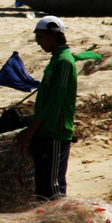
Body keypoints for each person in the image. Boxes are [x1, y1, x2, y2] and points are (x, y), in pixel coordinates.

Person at [17, 15, 78, 199]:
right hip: (44, 132)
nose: (38, 42)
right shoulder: (56, 60)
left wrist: (30, 130)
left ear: (53, 35)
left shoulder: (65, 62)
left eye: (40, 37)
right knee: (42, 188)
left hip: (55, 132)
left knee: (53, 189)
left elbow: (55, 102)